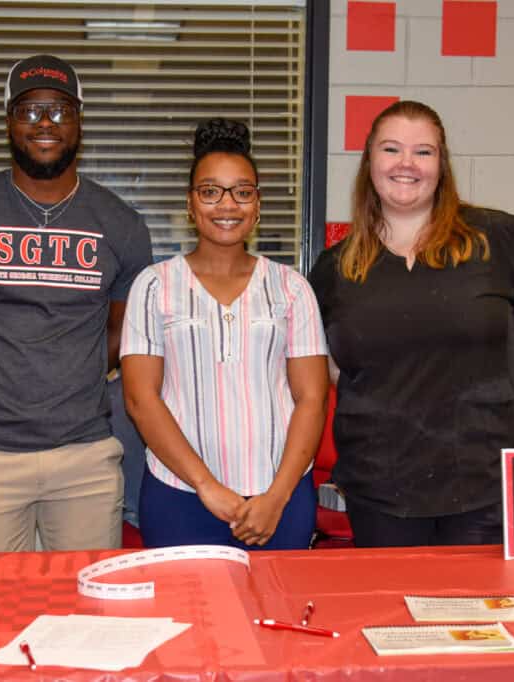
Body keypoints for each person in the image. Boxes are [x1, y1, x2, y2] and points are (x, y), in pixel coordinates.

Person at [0, 54, 153, 553]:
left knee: (87, 596)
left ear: (79, 122)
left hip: (85, 454)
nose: (46, 123)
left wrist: (73, 378)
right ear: (9, 121)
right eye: (30, 110)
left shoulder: (121, 224)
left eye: (60, 110)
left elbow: (124, 332)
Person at [308, 100, 514, 548]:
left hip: (486, 483)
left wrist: (498, 399)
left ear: (441, 165)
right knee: (394, 597)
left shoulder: (497, 236)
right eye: (391, 149)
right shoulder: (335, 267)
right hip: (380, 486)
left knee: (481, 597)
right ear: (369, 162)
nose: (406, 163)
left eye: (423, 152)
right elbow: (331, 365)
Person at [120, 119, 329, 550]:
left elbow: (312, 398)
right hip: (180, 496)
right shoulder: (154, 286)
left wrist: (277, 497)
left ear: (257, 203)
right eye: (210, 191)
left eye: (242, 192)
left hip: (279, 500)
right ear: (191, 204)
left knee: (276, 596)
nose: (227, 204)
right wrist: (207, 486)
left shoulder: (292, 288)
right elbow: (141, 399)